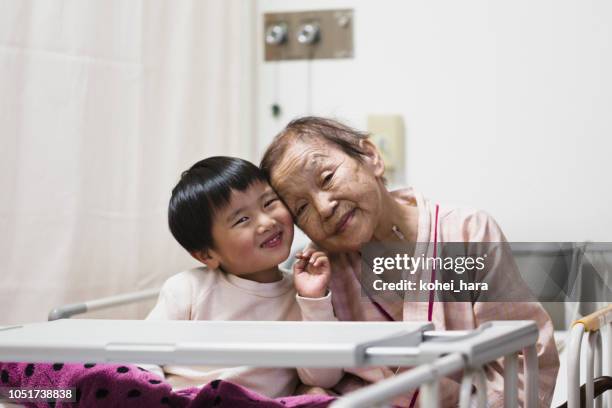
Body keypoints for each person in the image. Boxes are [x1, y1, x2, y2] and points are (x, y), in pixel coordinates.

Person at [260, 116, 560, 407]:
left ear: (371, 156)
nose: (323, 208)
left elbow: (523, 357)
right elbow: (318, 379)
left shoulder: (468, 232)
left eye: (327, 178)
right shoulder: (319, 273)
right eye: (302, 208)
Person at [146, 156, 342, 397]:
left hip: (262, 405)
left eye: (269, 202)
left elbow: (326, 376)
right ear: (207, 255)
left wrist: (313, 300)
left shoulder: (301, 293)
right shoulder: (187, 288)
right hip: (188, 402)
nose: (266, 222)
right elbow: (141, 355)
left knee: (319, 394)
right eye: (242, 219)